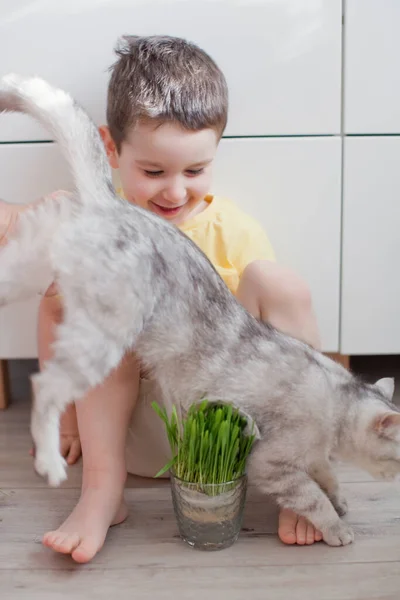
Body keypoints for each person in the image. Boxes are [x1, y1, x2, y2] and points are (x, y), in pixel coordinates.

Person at [0, 35, 322, 562]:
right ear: (110, 149)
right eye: (154, 172)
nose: (175, 192)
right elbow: (55, 312)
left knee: (280, 281)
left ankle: (303, 472)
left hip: (225, 438)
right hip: (134, 439)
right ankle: (102, 494)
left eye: (194, 171)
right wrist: (65, 420)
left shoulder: (232, 232)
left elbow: (273, 341)